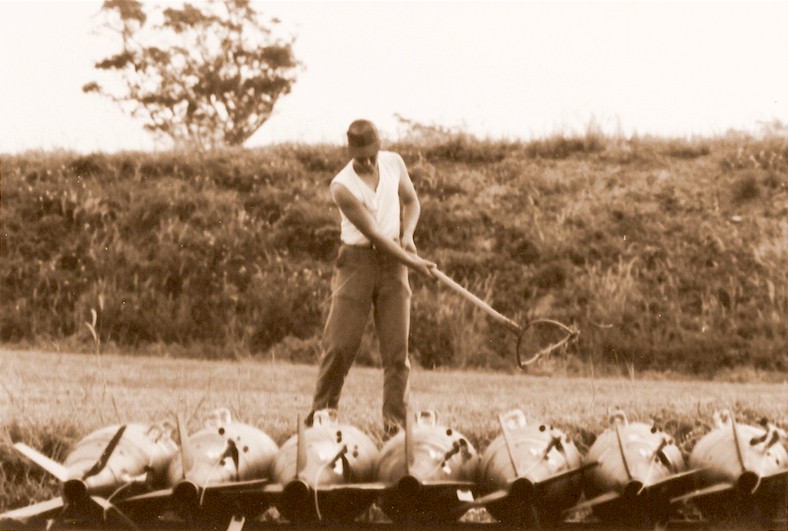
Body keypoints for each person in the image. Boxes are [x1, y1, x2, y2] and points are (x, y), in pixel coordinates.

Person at [306, 119, 436, 437]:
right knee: (340, 347)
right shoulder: (342, 186)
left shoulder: (393, 162)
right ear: (350, 152)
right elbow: (376, 235)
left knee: (397, 353)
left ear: (379, 147)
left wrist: (408, 235)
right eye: (359, 156)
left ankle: (395, 429)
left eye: (371, 154)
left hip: (394, 266)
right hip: (357, 264)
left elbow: (411, 201)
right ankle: (320, 422)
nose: (367, 162)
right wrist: (416, 263)